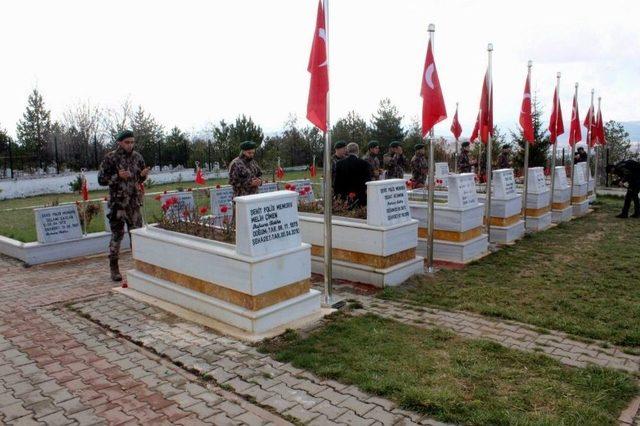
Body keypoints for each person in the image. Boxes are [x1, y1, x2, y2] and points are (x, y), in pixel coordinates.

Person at [98, 130, 150, 281]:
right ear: (119, 142)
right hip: (118, 204)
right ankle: (114, 268)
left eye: (132, 142)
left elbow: (139, 179)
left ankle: (140, 266)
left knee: (136, 235)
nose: (130, 145)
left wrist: (143, 175)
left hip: (133, 204)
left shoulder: (138, 157)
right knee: (117, 235)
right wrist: (117, 176)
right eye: (127, 142)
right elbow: (101, 180)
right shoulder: (110, 158)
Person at [334, 142, 372, 207]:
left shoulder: (339, 164)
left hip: (344, 197)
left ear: (347, 151)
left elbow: (337, 182)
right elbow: (368, 181)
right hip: (360, 197)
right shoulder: (365, 164)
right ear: (358, 151)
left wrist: (337, 196)